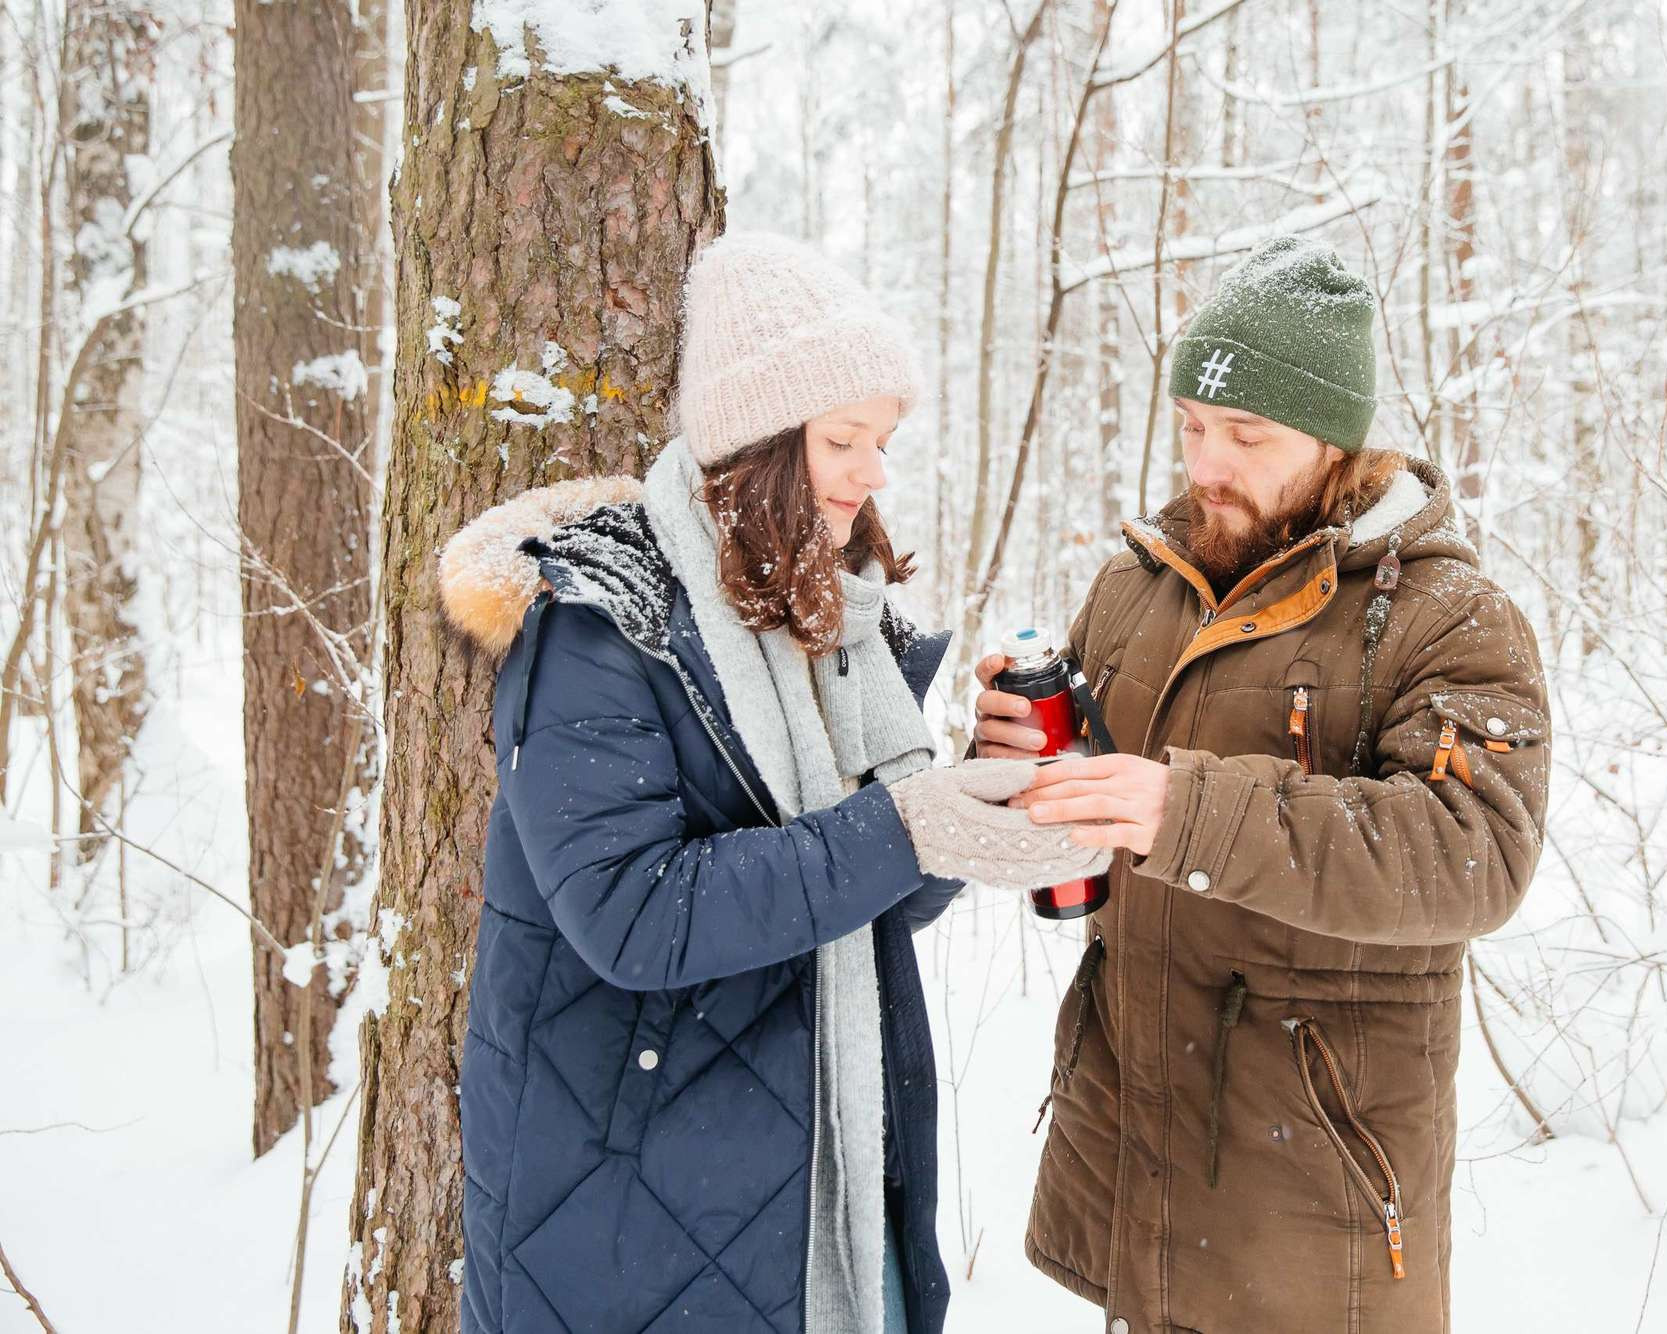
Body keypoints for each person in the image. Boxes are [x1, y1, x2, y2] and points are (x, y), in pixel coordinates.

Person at [439, 230, 1107, 1334]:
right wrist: (905, 826)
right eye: (843, 439)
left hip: (821, 1178)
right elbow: (631, 912)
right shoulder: (602, 623)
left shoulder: (832, 621)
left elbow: (880, 898)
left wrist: (971, 798)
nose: (874, 473)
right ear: (757, 442)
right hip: (631, 1208)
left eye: (881, 441)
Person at [975, 235, 1551, 1333]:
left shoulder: (1447, 616)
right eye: (1193, 425)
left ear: (1334, 441)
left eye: (1246, 435)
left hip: (1310, 1193)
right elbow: (1086, 824)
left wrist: (1183, 810)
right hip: (1138, 1154)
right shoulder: (1137, 586)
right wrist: (1015, 762)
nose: (1206, 464)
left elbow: (1472, 853)